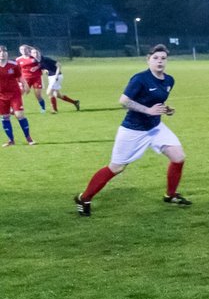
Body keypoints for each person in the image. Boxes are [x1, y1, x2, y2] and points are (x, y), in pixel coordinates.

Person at [74, 44, 190, 216]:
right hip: (133, 130)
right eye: (156, 58)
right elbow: (124, 101)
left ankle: (170, 195)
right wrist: (148, 110)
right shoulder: (140, 79)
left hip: (155, 127)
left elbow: (155, 102)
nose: (159, 61)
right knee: (116, 167)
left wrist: (166, 109)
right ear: (148, 59)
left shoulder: (169, 80)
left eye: (163, 58)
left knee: (178, 157)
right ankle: (84, 198)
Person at [0, 45, 35, 146]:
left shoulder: (13, 64)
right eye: (0, 52)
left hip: (14, 94)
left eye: (4, 51)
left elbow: (20, 76)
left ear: (7, 53)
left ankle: (28, 138)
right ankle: (11, 140)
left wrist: (26, 85)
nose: (2, 53)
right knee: (5, 117)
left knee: (19, 115)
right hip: (1, 96)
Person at [36, 47, 80, 112]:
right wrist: (45, 70)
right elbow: (42, 68)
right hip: (50, 77)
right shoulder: (37, 61)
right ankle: (75, 102)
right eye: (33, 53)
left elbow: (59, 65)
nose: (35, 54)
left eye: (36, 52)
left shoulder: (46, 59)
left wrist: (56, 75)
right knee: (58, 95)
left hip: (56, 76)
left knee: (49, 92)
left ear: (39, 52)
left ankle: (54, 110)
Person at [16, 44, 45, 112]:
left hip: (36, 78)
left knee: (38, 95)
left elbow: (42, 63)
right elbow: (17, 70)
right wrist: (18, 79)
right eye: (21, 49)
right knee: (20, 93)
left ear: (28, 49)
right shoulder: (18, 59)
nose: (23, 51)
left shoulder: (34, 57)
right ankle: (17, 108)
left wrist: (37, 67)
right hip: (25, 79)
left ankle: (43, 108)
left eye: (25, 49)